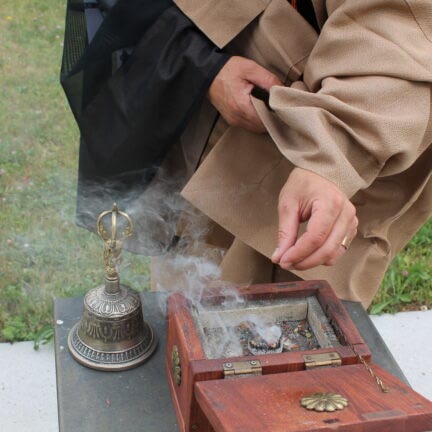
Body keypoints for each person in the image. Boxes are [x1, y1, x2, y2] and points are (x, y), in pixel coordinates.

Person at [150, 0, 432, 308]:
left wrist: (331, 158)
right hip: (203, 124)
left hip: (329, 152)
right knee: (180, 304)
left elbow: (395, 30)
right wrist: (204, 64)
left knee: (292, 321)